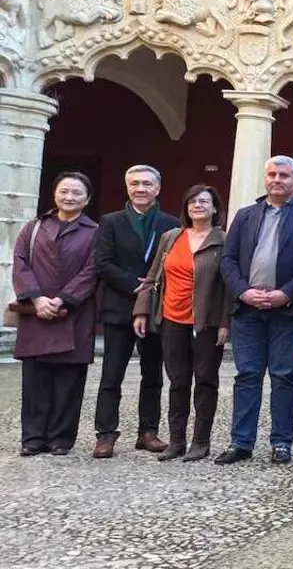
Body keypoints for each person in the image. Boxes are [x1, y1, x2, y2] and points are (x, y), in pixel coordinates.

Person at [216, 156, 293, 465]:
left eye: (284, 175)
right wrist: (244, 291)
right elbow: (229, 259)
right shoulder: (246, 215)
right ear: (265, 178)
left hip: (288, 311)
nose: (277, 180)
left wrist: (285, 293)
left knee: (284, 376)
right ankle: (241, 442)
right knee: (247, 375)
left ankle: (281, 442)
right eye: (272, 174)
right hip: (247, 310)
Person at [133, 184, 230, 462]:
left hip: (206, 322)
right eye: (192, 202)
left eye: (204, 201)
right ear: (186, 208)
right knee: (177, 381)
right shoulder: (171, 237)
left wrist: (225, 323)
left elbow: (227, 287)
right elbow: (152, 278)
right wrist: (141, 312)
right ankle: (176, 440)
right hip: (171, 319)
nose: (197, 205)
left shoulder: (223, 240)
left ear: (214, 208)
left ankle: (201, 441)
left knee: (205, 381)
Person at [92, 165, 181, 459]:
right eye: (134, 184)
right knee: (111, 375)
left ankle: (148, 432)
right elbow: (102, 264)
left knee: (153, 374)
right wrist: (137, 286)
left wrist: (152, 289)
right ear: (127, 188)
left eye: (146, 183)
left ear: (158, 188)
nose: (140, 188)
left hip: (156, 310)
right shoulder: (110, 222)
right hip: (119, 307)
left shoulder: (171, 224)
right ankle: (105, 434)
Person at [11, 172, 99, 456]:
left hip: (74, 313)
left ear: (87, 199)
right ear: (55, 194)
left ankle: (61, 438)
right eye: (64, 191)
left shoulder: (95, 232)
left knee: (68, 380)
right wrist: (37, 299)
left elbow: (93, 270)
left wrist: (62, 299)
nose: (69, 197)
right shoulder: (34, 228)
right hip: (36, 313)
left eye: (76, 192)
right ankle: (33, 438)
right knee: (35, 380)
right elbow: (20, 263)